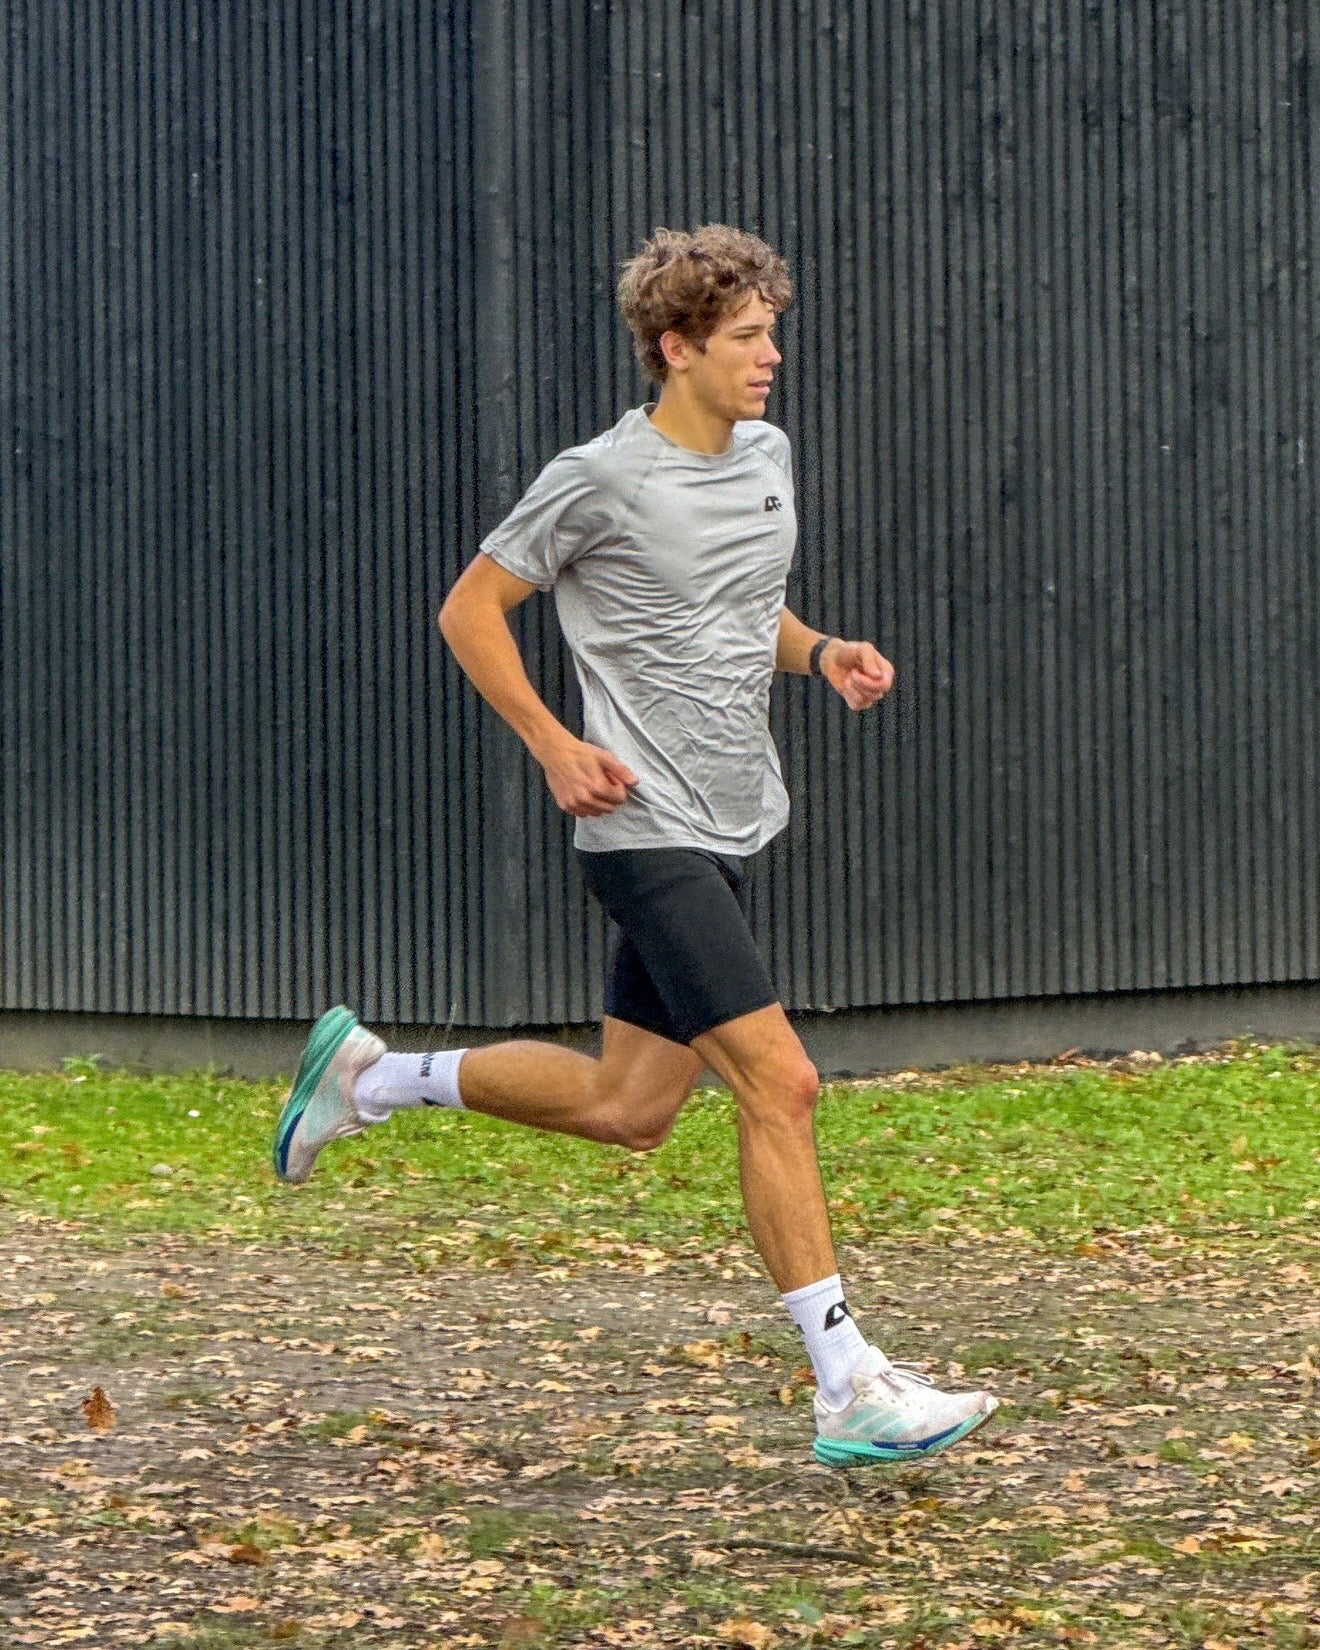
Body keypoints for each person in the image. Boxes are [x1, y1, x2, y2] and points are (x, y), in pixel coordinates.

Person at [272, 225, 998, 1465]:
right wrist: (557, 745)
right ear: (677, 348)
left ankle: (372, 1078)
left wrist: (819, 654)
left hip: (730, 817)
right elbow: (471, 610)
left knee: (629, 1109)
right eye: (747, 336)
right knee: (783, 1085)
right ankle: (848, 1388)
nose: (771, 355)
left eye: (773, 329)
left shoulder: (766, 453)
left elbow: (733, 605)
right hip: (639, 826)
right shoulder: (599, 477)